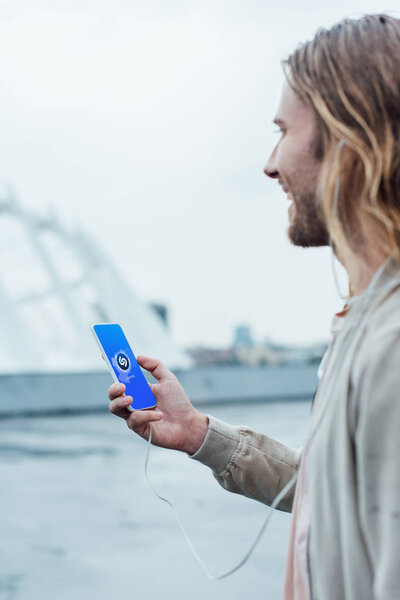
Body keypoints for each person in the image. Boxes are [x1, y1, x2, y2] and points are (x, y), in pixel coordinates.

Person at [108, 13, 400, 599]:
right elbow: (332, 494)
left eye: (282, 131)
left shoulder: (391, 346)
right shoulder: (364, 323)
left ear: (348, 143)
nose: (270, 164)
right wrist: (197, 434)